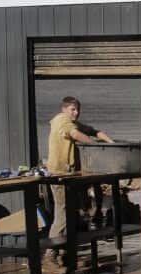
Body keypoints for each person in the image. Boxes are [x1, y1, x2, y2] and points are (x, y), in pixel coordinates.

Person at [46, 97, 113, 260]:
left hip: (70, 175)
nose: (76, 113)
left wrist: (111, 143)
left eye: (78, 110)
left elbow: (92, 131)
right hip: (59, 175)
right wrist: (94, 146)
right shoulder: (61, 120)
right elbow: (75, 134)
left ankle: (63, 252)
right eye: (72, 110)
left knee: (70, 213)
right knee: (62, 214)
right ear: (64, 109)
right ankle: (50, 254)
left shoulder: (72, 122)